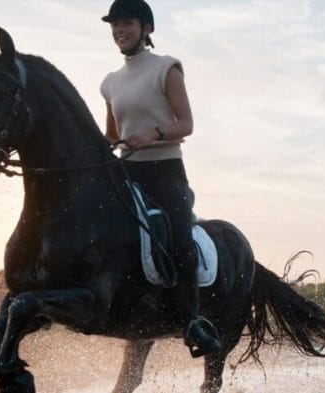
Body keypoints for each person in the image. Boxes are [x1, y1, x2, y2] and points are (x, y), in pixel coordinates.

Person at [99, 0, 221, 357]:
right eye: (114, 25)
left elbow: (186, 124)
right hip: (127, 172)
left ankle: (192, 321)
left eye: (127, 23)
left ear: (146, 29)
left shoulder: (166, 68)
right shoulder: (110, 83)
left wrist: (152, 134)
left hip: (165, 170)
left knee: (178, 236)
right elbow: (111, 135)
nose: (120, 30)